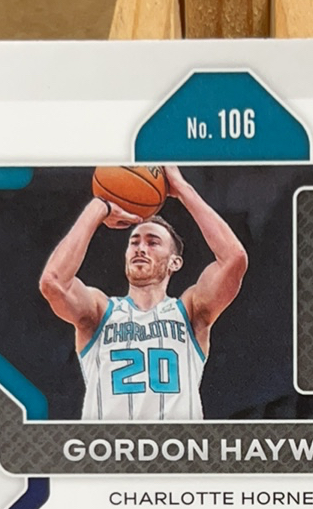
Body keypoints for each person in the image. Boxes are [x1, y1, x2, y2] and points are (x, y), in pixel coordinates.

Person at [39, 165, 248, 421]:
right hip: (110, 446)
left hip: (175, 446)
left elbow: (234, 259)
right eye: (134, 242)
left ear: (174, 263)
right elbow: (53, 282)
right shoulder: (100, 310)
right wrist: (98, 207)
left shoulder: (190, 312)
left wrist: (183, 189)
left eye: (152, 242)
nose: (140, 248)